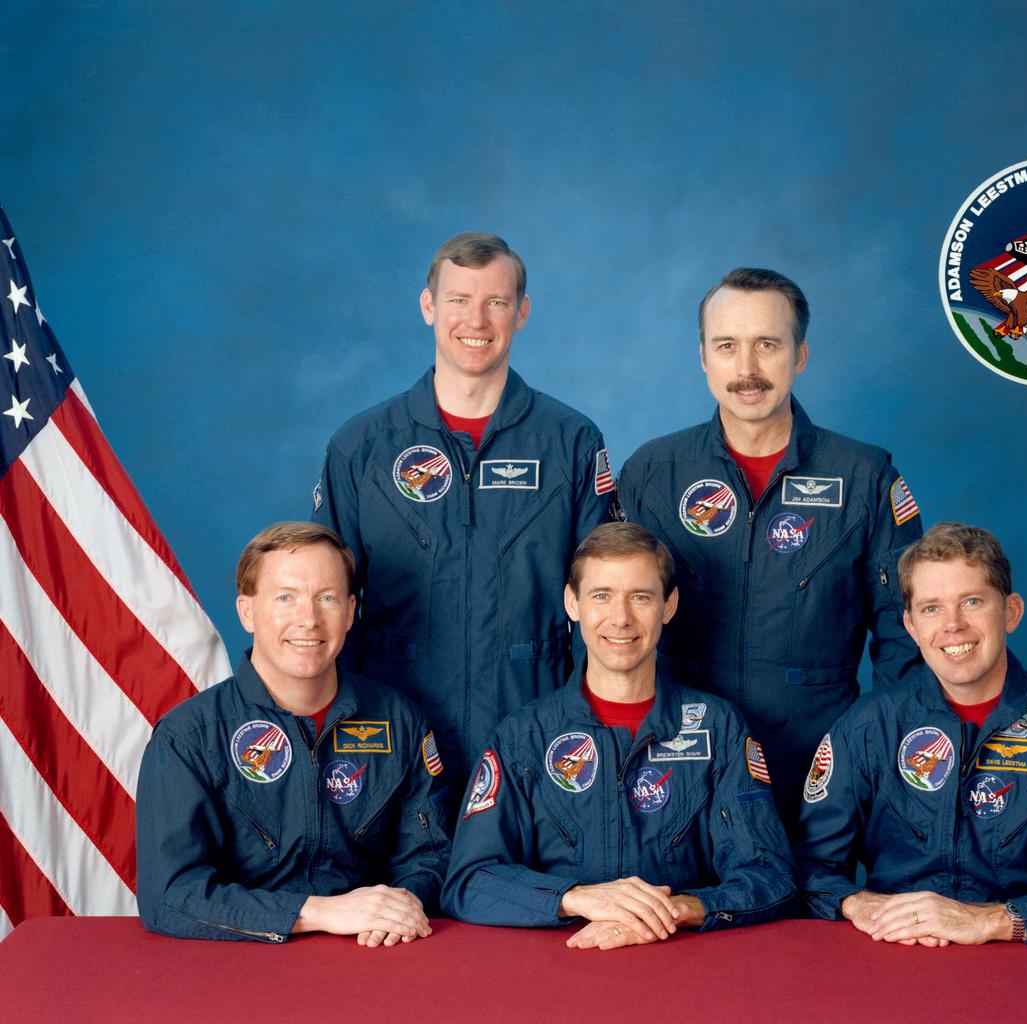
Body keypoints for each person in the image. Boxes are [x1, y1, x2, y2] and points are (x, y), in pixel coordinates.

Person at [616, 267, 922, 825]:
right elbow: (604, 622)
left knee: (815, 907)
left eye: (768, 345)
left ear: (799, 355)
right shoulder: (652, 473)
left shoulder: (863, 477)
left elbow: (907, 639)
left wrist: (877, 760)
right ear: (703, 357)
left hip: (817, 762)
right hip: (676, 762)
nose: (747, 370)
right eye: (727, 346)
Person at [312, 232, 614, 795]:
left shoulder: (570, 442)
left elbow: (605, 601)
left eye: (496, 302)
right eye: (458, 300)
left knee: (528, 884)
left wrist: (585, 732)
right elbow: (328, 603)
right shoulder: (364, 448)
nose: (476, 319)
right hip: (390, 738)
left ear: (521, 312)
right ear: (428, 306)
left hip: (535, 733)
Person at [794, 522, 1027, 944]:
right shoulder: (867, 727)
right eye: (931, 608)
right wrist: (858, 903)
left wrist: (989, 921)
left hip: (1020, 963)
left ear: (1011, 612)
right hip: (893, 954)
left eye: (971, 601)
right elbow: (804, 869)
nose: (953, 625)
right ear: (911, 626)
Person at [442, 523, 796, 949]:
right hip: (559, 966)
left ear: (669, 605)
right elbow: (469, 881)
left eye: (641, 597)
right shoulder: (525, 736)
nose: (621, 618)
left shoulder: (718, 729)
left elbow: (771, 876)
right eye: (602, 595)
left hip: (682, 964)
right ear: (573, 603)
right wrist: (577, 898)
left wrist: (679, 910)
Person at [136, 522, 451, 945]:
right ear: (247, 613)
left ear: (351, 611)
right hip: (240, 962)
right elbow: (170, 896)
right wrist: (318, 912)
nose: (309, 619)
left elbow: (429, 855)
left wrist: (398, 907)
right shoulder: (189, 737)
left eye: (327, 598)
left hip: (372, 950)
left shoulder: (399, 721)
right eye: (286, 598)